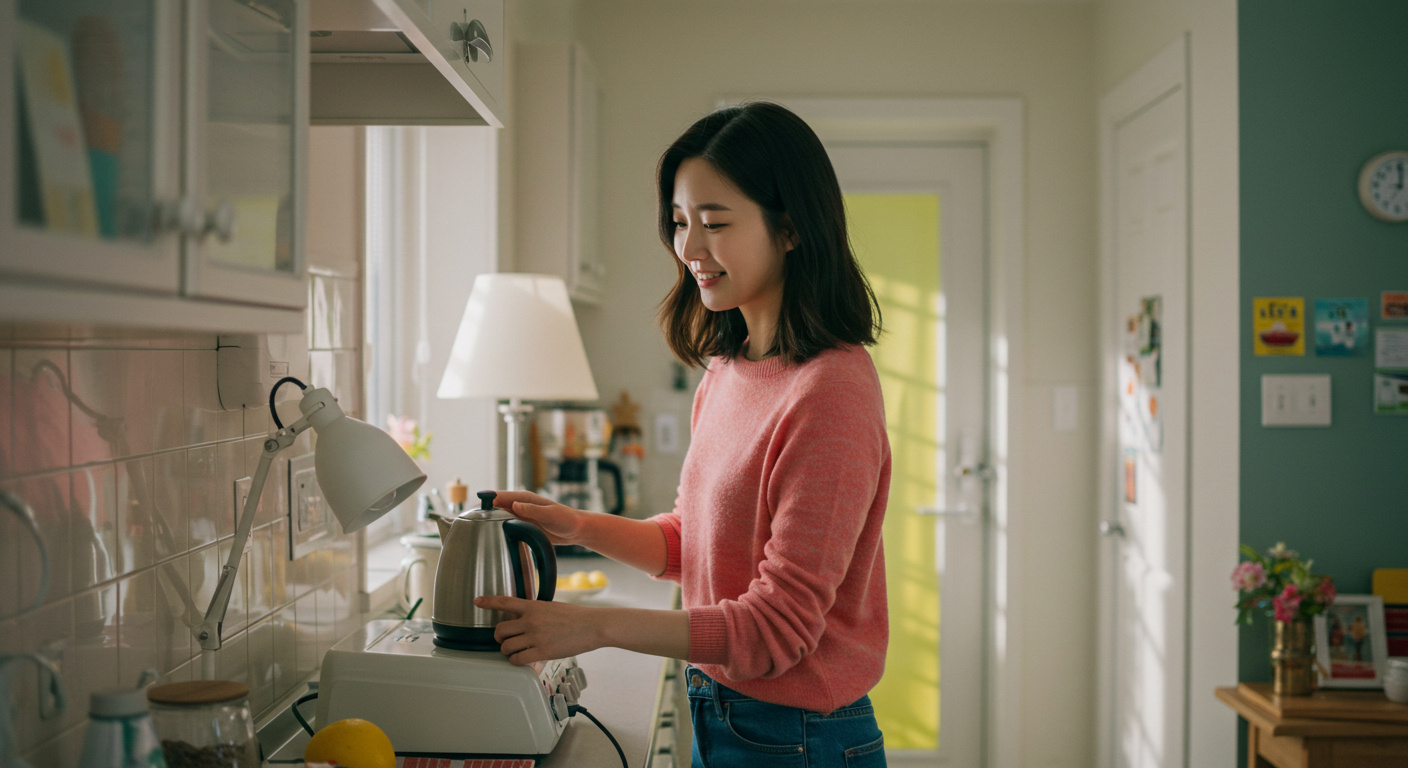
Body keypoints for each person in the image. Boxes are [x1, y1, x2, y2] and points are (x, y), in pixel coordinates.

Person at [476, 102, 892, 767]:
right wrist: (576, 525)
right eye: (679, 223)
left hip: (798, 740)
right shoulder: (727, 371)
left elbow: (777, 630)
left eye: (715, 223)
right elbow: (693, 547)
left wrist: (594, 626)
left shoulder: (832, 390)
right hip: (723, 715)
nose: (690, 248)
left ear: (789, 228)